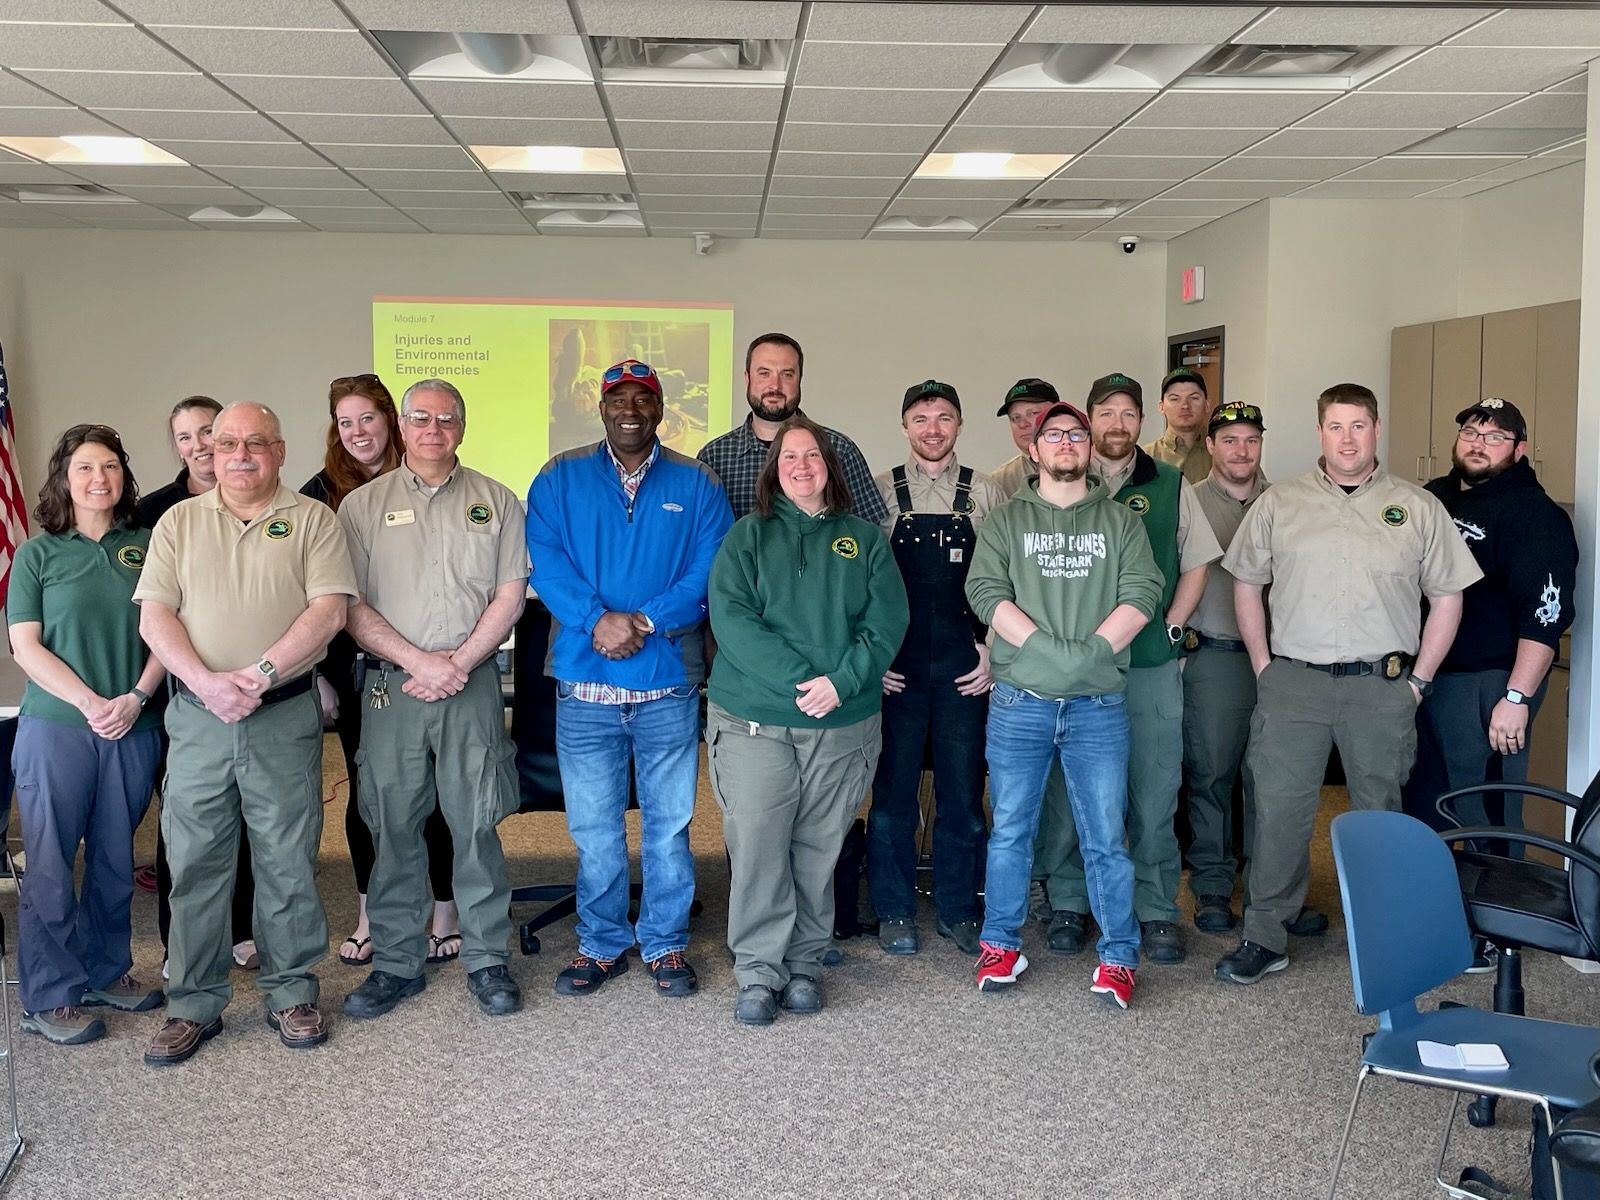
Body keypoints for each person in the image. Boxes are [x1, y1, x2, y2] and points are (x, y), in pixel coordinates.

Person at [1216, 383, 1482, 985]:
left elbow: (1447, 597)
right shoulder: (1279, 503)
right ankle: (1266, 935)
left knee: (1380, 814)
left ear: (1377, 429)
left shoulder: (1416, 507)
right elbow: (1246, 585)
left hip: (1380, 688)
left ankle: (1383, 935)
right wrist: (1264, 666)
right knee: (1279, 812)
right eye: (1336, 426)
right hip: (1295, 684)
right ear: (1319, 433)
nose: (1347, 439)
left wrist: (1417, 682)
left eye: (1358, 426)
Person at [135, 402, 355, 1063]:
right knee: (196, 862)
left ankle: (290, 992)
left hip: (281, 715)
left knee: (286, 859)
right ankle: (195, 1003)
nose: (238, 454)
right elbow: (156, 617)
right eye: (226, 442)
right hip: (198, 719)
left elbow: (329, 611)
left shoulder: (313, 519)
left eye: (255, 443)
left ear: (280, 452)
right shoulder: (178, 522)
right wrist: (206, 682)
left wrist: (257, 675)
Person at [526, 359, 733, 998]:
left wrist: (643, 619)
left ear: (661, 409)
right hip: (585, 687)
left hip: (666, 684)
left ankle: (665, 943)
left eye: (644, 400)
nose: (631, 411)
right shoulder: (559, 476)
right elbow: (546, 560)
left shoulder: (696, 482)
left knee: (669, 824)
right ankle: (602, 941)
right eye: (620, 400)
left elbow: (710, 568)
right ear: (603, 407)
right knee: (593, 826)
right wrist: (597, 620)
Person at [705, 415, 908, 1026]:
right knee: (761, 844)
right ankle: (759, 973)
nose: (801, 466)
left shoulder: (866, 541)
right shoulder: (747, 537)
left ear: (830, 467)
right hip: (754, 720)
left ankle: (803, 965)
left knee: (819, 848)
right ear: (775, 469)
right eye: (789, 457)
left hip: (843, 723)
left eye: (812, 456)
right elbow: (733, 622)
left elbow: (886, 623)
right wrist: (803, 683)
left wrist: (840, 683)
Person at [338, 379, 528, 1022]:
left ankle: (486, 957)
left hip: (471, 686)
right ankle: (395, 961)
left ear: (462, 427)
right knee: (392, 826)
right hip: (394, 688)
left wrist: (457, 664)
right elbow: (348, 606)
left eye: (445, 419)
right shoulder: (362, 506)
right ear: (403, 425)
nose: (432, 429)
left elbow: (509, 597)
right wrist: (419, 662)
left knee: (476, 823)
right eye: (420, 417)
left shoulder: (496, 501)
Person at [964, 401, 1162, 1008]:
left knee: (1105, 835)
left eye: (1076, 435)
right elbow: (985, 590)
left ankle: (1119, 956)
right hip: (1020, 703)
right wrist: (1052, 649)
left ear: (1089, 447)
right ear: (1035, 450)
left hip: (1097, 706)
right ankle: (999, 943)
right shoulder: (1006, 520)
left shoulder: (1121, 522)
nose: (1066, 444)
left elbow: (1143, 592)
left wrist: (1093, 651)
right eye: (1054, 436)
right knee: (1011, 832)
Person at [1035, 373, 1221, 966]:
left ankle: (1155, 907)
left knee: (1152, 786)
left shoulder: (1169, 484)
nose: (1118, 424)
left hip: (1145, 664)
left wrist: (1172, 624)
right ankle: (1069, 899)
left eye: (1129, 413)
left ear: (1145, 421)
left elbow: (1196, 563)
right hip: (1072, 668)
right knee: (1069, 790)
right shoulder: (1061, 478)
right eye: (1105, 413)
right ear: (1088, 422)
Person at [8, 424, 166, 1045]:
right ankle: (49, 992)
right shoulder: (37, 553)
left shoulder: (151, 545)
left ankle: (106, 970)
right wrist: (92, 701)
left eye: (110, 467)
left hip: (135, 723)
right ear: (64, 480)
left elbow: (166, 634)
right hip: (59, 728)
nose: (99, 479)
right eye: (84, 469)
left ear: (124, 476)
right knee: (48, 862)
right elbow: (26, 646)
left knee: (112, 858)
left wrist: (136, 698)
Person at [301, 373, 459, 969]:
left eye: (367, 418)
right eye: (345, 422)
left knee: (440, 791)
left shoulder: (430, 472)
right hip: (355, 668)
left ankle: (444, 907)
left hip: (440, 665)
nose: (357, 432)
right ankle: (371, 912)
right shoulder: (320, 493)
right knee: (371, 794)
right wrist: (315, 671)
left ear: (393, 420)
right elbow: (308, 593)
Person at [1405, 399, 1578, 882]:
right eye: (1471, 432)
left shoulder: (1534, 514)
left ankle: (1494, 923)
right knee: (1430, 800)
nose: (1479, 444)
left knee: (1482, 806)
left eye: (1495, 437)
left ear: (1520, 449)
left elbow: (1545, 614)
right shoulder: (1434, 496)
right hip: (1430, 675)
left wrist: (1516, 697)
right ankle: (1443, 911)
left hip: (1491, 681)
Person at [867, 380, 1005, 958]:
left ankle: (957, 906)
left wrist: (993, 650)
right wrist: (870, 660)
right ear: (904, 426)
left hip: (963, 664)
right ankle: (894, 908)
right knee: (893, 791)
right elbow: (861, 585)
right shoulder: (877, 491)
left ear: (960, 425)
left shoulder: (989, 493)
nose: (932, 428)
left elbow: (1008, 578)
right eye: (921, 418)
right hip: (897, 666)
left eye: (944, 417)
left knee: (962, 791)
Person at [136, 396, 259, 976]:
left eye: (210, 431)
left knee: (250, 815)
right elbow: (154, 608)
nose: (200, 445)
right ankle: (176, 945)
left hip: (252, 690)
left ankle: (240, 929)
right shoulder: (153, 512)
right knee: (184, 822)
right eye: (185, 436)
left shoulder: (260, 502)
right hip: (177, 687)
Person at [1182, 403, 1269, 934]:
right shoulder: (1187, 503)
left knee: (1272, 782)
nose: (1241, 450)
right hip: (1214, 656)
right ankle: (1212, 884)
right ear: (1210, 446)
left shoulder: (1287, 503)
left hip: (1280, 663)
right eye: (1230, 440)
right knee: (1210, 776)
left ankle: (1270, 889)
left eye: (1251, 440)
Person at [697, 332, 889, 524]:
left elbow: (873, 532)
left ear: (799, 379)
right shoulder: (714, 457)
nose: (775, 385)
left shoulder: (840, 449)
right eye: (764, 373)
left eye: (787, 374)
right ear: (747, 378)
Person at [991, 378, 1058, 499]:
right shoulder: (1000, 481)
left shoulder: (1085, 464)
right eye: (1015, 418)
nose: (1022, 424)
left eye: (1033, 413)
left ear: (1058, 414)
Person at [1144, 368, 1214, 483]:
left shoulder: (1222, 454)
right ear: (1161, 407)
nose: (1185, 405)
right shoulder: (1146, 457)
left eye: (1194, 398)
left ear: (1207, 405)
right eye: (1175, 399)